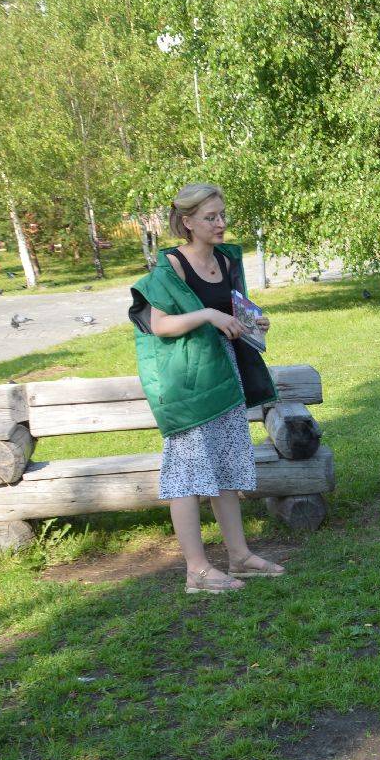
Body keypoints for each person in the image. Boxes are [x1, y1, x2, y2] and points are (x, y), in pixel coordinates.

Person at [128, 182, 285, 594]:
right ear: (187, 222)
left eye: (222, 215)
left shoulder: (225, 261)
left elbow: (230, 311)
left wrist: (252, 321)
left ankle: (238, 555)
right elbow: (159, 324)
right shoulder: (172, 267)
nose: (220, 223)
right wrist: (210, 315)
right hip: (188, 381)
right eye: (211, 217)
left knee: (228, 466)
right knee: (188, 475)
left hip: (225, 373)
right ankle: (196, 570)